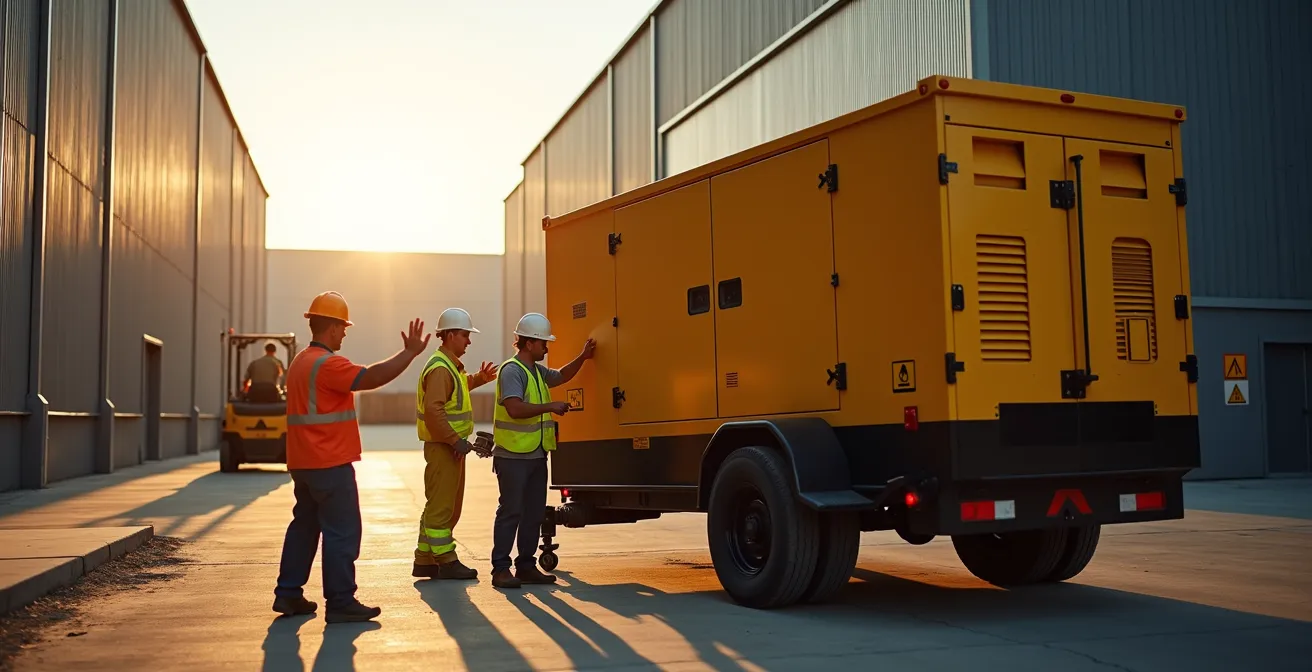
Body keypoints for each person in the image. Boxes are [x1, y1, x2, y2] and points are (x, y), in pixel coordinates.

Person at [272, 290, 431, 623]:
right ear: (332, 327)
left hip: (303, 463)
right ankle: (341, 601)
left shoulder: (300, 362)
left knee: (304, 527)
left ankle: (288, 593)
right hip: (329, 462)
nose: (344, 334)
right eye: (343, 328)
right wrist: (409, 353)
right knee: (342, 531)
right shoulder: (327, 364)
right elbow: (370, 377)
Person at [489, 312, 595, 589]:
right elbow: (514, 408)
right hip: (513, 456)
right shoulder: (512, 371)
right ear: (529, 343)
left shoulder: (536, 372)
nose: (546, 348)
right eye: (543, 343)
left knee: (533, 514)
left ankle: (525, 566)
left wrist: (583, 357)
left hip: (536, 454)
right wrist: (550, 406)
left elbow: (560, 376)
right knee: (511, 511)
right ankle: (501, 569)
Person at [412, 307, 498, 580]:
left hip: (448, 447)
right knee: (443, 507)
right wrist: (454, 441)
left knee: (438, 503)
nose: (469, 341)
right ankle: (446, 559)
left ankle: (425, 559)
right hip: (444, 447)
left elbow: (455, 390)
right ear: (450, 336)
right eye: (465, 335)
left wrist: (479, 379)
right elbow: (434, 411)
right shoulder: (441, 368)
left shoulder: (449, 366)